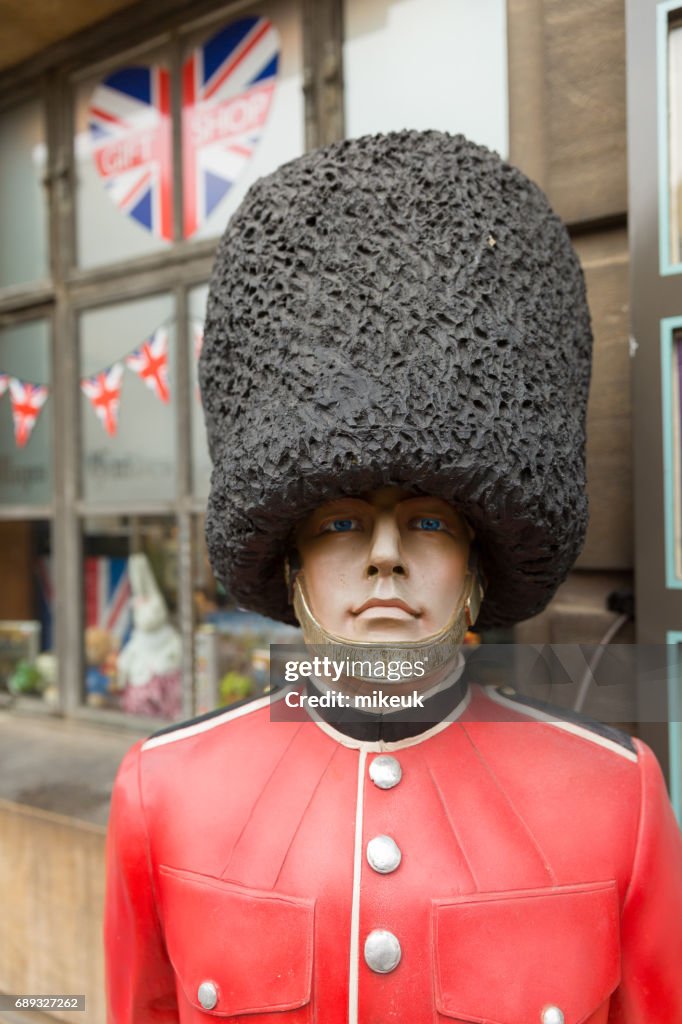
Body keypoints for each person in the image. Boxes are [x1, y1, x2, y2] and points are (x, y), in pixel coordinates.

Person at [104, 131, 682, 1023]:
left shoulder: (616, 798)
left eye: (426, 521)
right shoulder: (163, 791)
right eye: (339, 522)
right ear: (291, 560)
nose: (384, 552)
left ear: (477, 562)